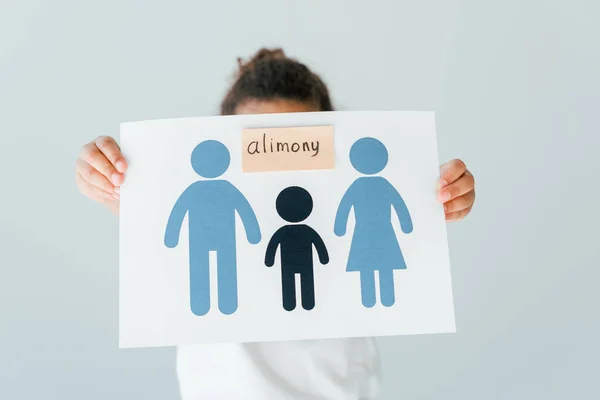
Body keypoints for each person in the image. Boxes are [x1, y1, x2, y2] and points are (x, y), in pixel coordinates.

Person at [75, 48, 476, 400]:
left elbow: (409, 212)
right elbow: (141, 210)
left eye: (298, 146)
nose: (279, 165)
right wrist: (106, 180)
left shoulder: (351, 190)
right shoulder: (197, 192)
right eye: (261, 146)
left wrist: (435, 194)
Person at [164, 140, 261, 316]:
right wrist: (253, 234)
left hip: (209, 238)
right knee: (210, 267)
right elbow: (244, 211)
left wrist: (171, 238)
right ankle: (217, 304)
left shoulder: (200, 189)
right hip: (214, 237)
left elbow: (178, 214)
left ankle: (218, 304)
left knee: (216, 268)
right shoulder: (223, 189)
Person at [334, 137, 413, 308]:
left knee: (373, 265)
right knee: (374, 265)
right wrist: (406, 225)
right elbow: (399, 205)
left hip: (371, 232)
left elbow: (344, 208)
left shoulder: (360, 185)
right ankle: (374, 300)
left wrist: (340, 228)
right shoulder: (373, 184)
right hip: (377, 231)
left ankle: (381, 300)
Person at [265, 186, 329, 311]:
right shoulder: (306, 230)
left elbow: (273, 245)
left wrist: (269, 261)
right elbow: (318, 243)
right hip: (303, 262)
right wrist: (323, 258)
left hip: (289, 263)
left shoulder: (283, 231)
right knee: (302, 281)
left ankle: (294, 304)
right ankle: (304, 303)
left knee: (293, 282)